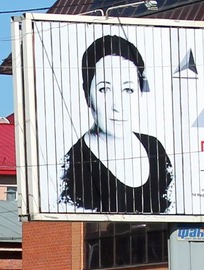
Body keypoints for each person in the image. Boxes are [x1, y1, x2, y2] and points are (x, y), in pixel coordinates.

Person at [58, 34, 173, 214]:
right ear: (86, 94)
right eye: (104, 89)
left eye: (128, 89)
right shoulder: (71, 167)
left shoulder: (154, 149)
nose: (117, 107)